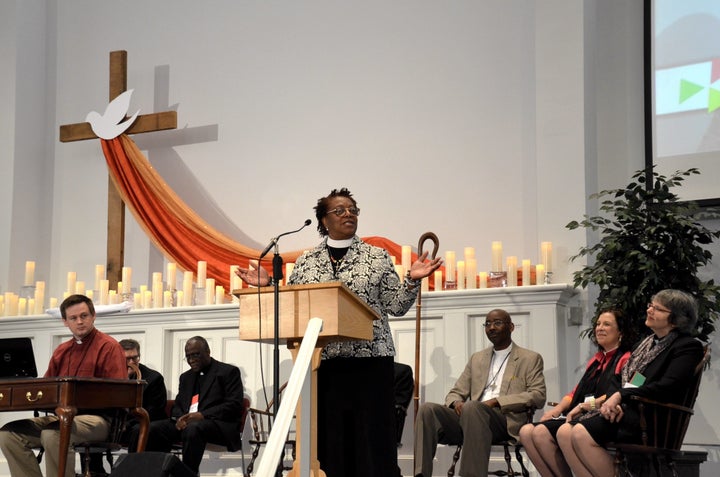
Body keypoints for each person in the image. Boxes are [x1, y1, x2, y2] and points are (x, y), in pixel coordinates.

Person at [236, 187, 442, 477]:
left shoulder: (376, 257)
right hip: (325, 364)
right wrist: (270, 286)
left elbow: (396, 306)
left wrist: (411, 280)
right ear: (323, 220)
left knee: (371, 443)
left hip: (371, 361)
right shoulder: (307, 262)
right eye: (340, 210)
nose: (349, 214)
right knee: (330, 442)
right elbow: (297, 306)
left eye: (353, 210)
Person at [557, 289, 705, 477]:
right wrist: (614, 400)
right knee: (564, 433)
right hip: (630, 410)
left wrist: (620, 396)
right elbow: (624, 381)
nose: (650, 310)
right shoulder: (647, 345)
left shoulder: (687, 346)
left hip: (651, 418)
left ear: (676, 319)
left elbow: (669, 386)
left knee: (579, 433)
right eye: (651, 305)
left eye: (658, 309)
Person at [0, 294, 127, 477]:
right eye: (73, 318)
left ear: (93, 316)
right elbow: (47, 388)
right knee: (9, 434)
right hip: (61, 419)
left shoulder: (109, 346)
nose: (80, 322)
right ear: (65, 322)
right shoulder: (62, 350)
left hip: (97, 421)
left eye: (84, 316)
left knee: (54, 434)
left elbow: (118, 393)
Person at [414, 309, 546, 477]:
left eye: (497, 323)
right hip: (470, 416)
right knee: (427, 410)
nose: (491, 327)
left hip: (504, 420)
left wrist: (497, 401)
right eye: (488, 323)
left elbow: (538, 395)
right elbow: (455, 393)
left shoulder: (529, 358)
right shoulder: (477, 358)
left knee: (474, 407)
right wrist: (456, 403)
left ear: (511, 327)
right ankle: (421, 474)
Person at [519, 308, 637, 477]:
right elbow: (576, 393)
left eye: (607, 324)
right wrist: (557, 409)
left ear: (621, 332)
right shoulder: (596, 360)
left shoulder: (625, 358)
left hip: (605, 416)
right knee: (526, 432)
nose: (600, 328)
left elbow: (617, 394)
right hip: (581, 414)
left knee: (543, 432)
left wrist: (583, 406)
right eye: (598, 324)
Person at [136, 336, 244, 475]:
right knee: (152, 428)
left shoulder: (228, 372)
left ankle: (187, 474)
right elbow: (178, 405)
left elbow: (234, 405)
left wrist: (202, 415)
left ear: (208, 351)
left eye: (196, 354)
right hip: (189, 425)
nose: (191, 359)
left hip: (218, 425)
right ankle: (154, 472)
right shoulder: (185, 377)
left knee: (194, 428)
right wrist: (178, 419)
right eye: (188, 356)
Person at [86, 339, 168, 475]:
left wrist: (125, 424)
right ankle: (94, 471)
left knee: (138, 430)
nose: (131, 362)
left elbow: (154, 410)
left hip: (138, 425)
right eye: (126, 359)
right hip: (117, 426)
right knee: (91, 429)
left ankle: (132, 472)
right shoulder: (108, 377)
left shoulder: (153, 378)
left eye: (134, 358)